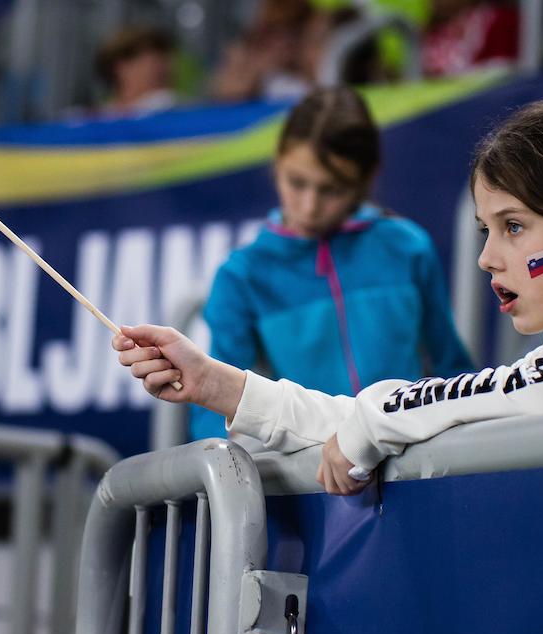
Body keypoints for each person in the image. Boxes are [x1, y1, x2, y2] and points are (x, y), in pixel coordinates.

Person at [115, 95, 543, 494]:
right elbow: (451, 412)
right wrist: (221, 386)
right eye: (487, 230)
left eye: (514, 227)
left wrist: (382, 414)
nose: (487, 257)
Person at [190, 86, 472, 439]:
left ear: (365, 180)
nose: (309, 206)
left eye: (331, 189)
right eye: (297, 182)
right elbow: (213, 414)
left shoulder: (406, 247)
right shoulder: (242, 277)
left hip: (411, 459)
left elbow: (453, 369)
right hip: (308, 472)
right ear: (277, 164)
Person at [94, 25, 178, 116]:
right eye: (154, 62)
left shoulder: (170, 106)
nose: (165, 69)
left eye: (165, 62)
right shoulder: (100, 116)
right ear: (121, 66)